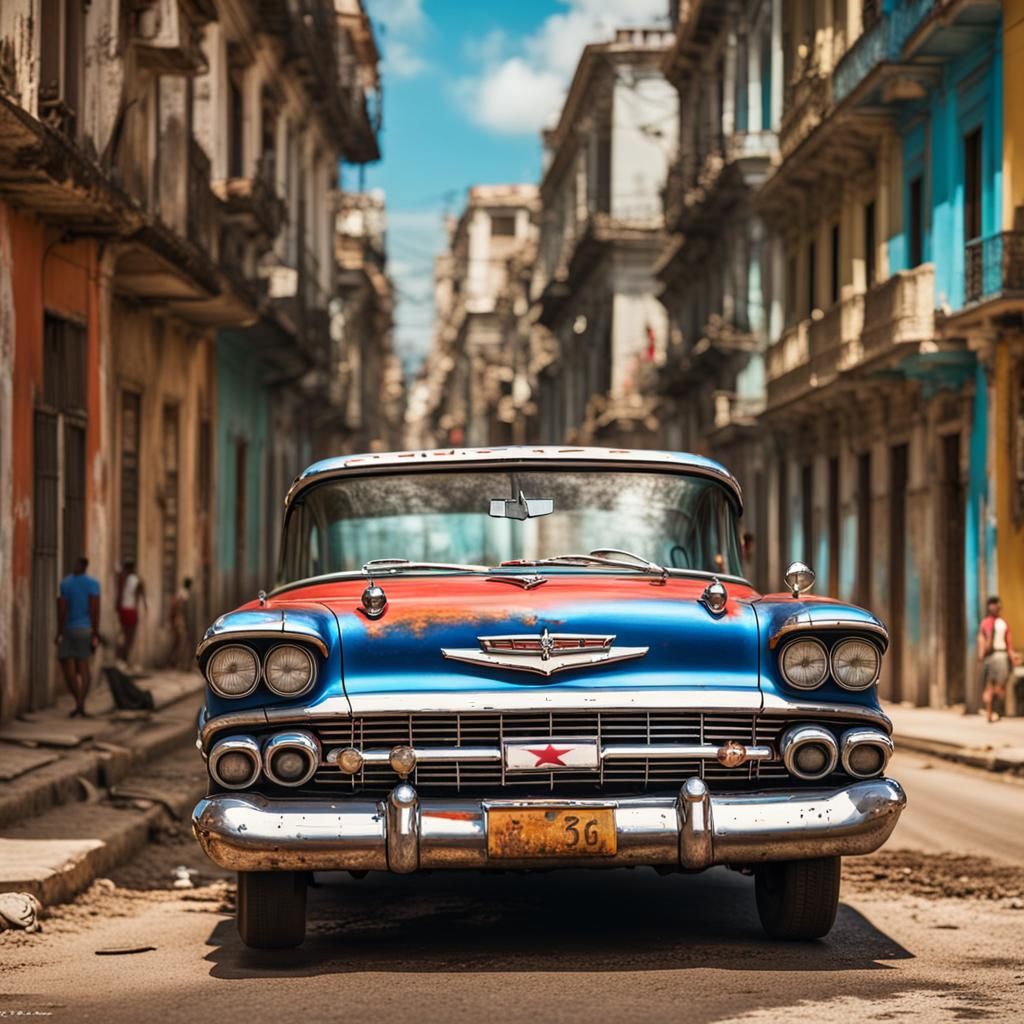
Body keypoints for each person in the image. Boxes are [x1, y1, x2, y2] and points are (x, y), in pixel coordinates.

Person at [55, 557, 100, 718]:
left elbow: (62, 609)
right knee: (82, 668)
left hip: (70, 630)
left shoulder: (66, 583)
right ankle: (80, 703)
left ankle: (78, 703)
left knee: (71, 669)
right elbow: (95, 609)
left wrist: (60, 631)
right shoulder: (92, 584)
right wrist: (95, 632)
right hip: (84, 630)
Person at [977, 595, 1020, 723]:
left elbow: (983, 641)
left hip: (993, 657)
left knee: (992, 687)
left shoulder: (991, 623)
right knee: (997, 687)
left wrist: (981, 656)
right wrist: (1012, 659)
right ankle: (992, 711)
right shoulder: (996, 623)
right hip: (999, 656)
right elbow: (1007, 645)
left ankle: (991, 711)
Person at [116, 558, 146, 664]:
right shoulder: (136, 579)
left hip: (123, 609)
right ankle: (124, 659)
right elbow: (141, 594)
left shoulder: (122, 578)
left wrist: (117, 608)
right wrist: (145, 606)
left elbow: (119, 595)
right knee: (130, 637)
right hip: (131, 610)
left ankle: (121, 659)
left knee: (123, 635)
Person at [167, 577, 195, 670]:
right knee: (181, 642)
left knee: (177, 642)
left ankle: (173, 662)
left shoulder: (180, 593)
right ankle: (177, 663)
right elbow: (179, 608)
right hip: (180, 621)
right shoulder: (184, 595)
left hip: (178, 620)